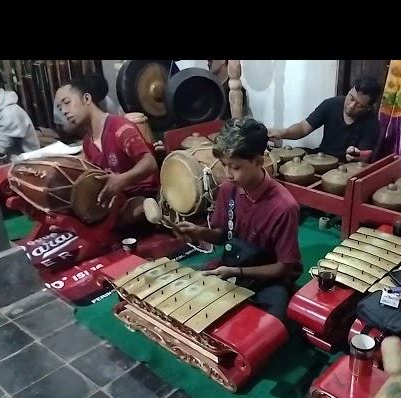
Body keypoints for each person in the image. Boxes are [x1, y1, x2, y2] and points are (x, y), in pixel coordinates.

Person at [174, 117, 302, 322]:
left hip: (268, 278)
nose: (227, 174)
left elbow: (284, 267)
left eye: (235, 167)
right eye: (224, 166)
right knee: (180, 286)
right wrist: (198, 232)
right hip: (230, 264)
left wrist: (237, 271)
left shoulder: (284, 207)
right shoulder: (228, 189)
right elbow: (222, 236)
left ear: (258, 162)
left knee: (271, 324)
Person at [54, 76, 159, 229]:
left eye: (67, 102)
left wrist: (121, 180)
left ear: (87, 98)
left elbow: (150, 163)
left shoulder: (119, 127)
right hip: (117, 200)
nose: (63, 111)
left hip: (142, 194)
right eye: (59, 108)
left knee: (132, 211)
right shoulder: (87, 143)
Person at [267, 76, 381, 162]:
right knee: (288, 157)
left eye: (359, 105)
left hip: (344, 167)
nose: (351, 106)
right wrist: (283, 133)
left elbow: (364, 157)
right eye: (351, 98)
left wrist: (357, 155)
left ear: (368, 108)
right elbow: (303, 128)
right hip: (321, 157)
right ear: (350, 91)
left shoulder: (372, 123)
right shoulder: (331, 104)